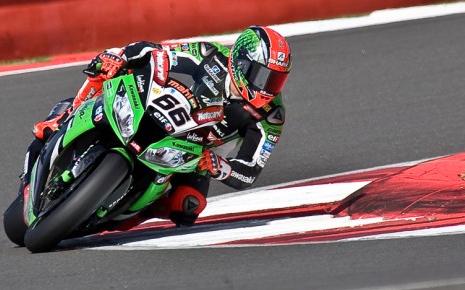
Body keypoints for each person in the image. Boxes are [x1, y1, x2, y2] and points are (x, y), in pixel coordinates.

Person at [22, 26, 292, 228]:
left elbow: (249, 171)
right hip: (159, 113)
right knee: (109, 68)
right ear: (241, 61)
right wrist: (122, 58)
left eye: (275, 81)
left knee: (188, 205)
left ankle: (128, 212)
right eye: (262, 76)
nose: (267, 88)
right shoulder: (210, 54)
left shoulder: (270, 115)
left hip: (192, 154)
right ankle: (66, 116)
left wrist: (218, 166)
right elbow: (156, 53)